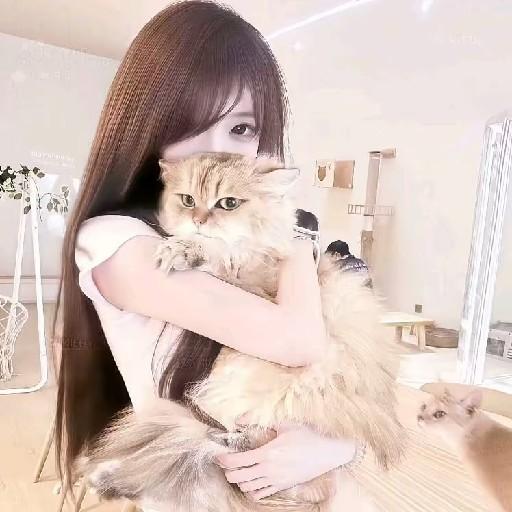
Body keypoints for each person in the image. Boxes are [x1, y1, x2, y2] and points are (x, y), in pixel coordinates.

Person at [53, 2, 360, 508]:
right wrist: (298, 239)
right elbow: (300, 341)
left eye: (241, 129)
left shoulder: (247, 239)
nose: (216, 151)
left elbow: (345, 378)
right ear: (145, 126)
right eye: (187, 125)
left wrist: (338, 445)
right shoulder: (113, 239)